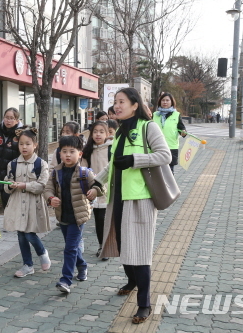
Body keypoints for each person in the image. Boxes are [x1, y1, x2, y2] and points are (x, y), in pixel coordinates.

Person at [94, 87, 171, 324]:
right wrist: (97, 180)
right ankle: (132, 280)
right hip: (118, 197)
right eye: (115, 102)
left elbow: (165, 155)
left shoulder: (149, 127)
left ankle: (144, 303)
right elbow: (115, 164)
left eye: (122, 102)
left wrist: (136, 160)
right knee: (123, 243)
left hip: (140, 199)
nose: (117, 106)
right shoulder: (118, 132)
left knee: (140, 251)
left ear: (135, 105)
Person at [44, 136, 105, 293]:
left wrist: (94, 191)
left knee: (70, 248)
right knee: (74, 247)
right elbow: (48, 189)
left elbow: (100, 187)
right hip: (63, 216)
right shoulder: (55, 172)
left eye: (72, 151)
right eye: (64, 151)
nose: (67, 155)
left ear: (80, 154)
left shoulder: (85, 173)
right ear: (59, 154)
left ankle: (65, 280)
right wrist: (51, 198)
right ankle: (82, 266)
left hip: (79, 217)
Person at [4, 127, 51, 278]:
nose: (24, 147)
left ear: (35, 145)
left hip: (33, 204)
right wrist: (10, 185)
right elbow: (6, 185)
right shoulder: (12, 164)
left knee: (30, 234)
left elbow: (42, 186)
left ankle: (42, 252)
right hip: (18, 203)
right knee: (21, 235)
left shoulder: (41, 164)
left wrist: (24, 185)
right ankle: (28, 265)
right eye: (21, 144)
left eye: (28, 144)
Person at [81, 121, 112, 261]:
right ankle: (102, 246)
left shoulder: (112, 149)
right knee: (99, 220)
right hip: (95, 191)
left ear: (107, 134)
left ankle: (111, 245)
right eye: (95, 132)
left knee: (109, 220)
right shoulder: (87, 151)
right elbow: (83, 170)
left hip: (110, 191)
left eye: (101, 131)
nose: (98, 134)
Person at [152, 92, 187, 174]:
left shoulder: (176, 115)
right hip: (156, 146)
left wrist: (183, 132)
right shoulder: (154, 115)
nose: (165, 102)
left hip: (171, 146)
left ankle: (169, 187)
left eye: (167, 100)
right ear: (160, 102)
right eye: (163, 100)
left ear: (172, 102)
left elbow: (181, 128)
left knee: (170, 172)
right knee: (157, 171)